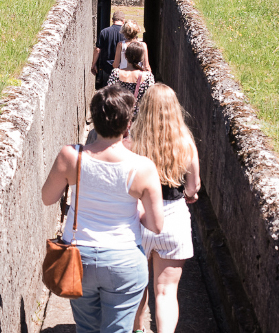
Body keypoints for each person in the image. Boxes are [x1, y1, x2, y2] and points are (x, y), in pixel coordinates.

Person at [42, 86, 165, 333]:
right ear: (128, 123)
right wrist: (136, 208)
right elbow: (156, 225)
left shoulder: (71, 155)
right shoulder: (142, 167)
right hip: (124, 260)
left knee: (86, 327)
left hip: (79, 257)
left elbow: (47, 198)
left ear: (94, 118)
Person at [128, 84, 201, 333]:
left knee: (137, 286)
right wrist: (189, 195)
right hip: (174, 220)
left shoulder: (133, 142)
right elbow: (193, 187)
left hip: (139, 217)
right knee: (166, 291)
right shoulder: (186, 142)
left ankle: (138, 329)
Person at [108, 43, 155, 115]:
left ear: (125, 56)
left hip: (120, 115)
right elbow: (151, 98)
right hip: (139, 117)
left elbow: (109, 94)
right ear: (141, 58)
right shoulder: (148, 76)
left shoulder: (116, 73)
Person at [92, 10, 126, 89]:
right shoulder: (126, 33)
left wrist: (94, 64)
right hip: (122, 67)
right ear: (123, 21)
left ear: (112, 20)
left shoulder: (104, 32)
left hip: (107, 67)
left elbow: (97, 49)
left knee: (107, 90)